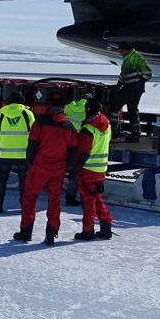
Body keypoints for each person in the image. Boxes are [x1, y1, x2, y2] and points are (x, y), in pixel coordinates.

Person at [14, 104, 79, 245]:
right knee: (54, 200)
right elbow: (73, 149)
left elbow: (32, 143)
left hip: (39, 166)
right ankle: (51, 234)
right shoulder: (69, 126)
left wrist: (29, 161)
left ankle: (26, 233)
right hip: (58, 168)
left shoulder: (41, 122)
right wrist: (67, 166)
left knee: (30, 198)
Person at [71, 97, 114, 240]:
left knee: (88, 200)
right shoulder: (106, 123)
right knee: (96, 198)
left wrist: (74, 171)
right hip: (101, 168)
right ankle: (106, 225)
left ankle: (88, 231)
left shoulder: (87, 129)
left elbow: (83, 153)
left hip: (88, 169)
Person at [0, 90, 35, 214]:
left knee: (2, 180)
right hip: (23, 154)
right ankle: (24, 206)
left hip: (5, 154)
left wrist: (1, 142)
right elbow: (34, 133)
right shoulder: (27, 114)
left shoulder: (2, 114)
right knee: (23, 181)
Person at [115, 42, 152, 142]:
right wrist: (119, 84)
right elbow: (124, 74)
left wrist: (140, 82)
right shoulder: (127, 59)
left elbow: (148, 72)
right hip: (128, 87)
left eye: (121, 51)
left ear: (126, 50)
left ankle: (135, 135)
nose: (120, 53)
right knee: (116, 105)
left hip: (135, 89)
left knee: (131, 109)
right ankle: (114, 131)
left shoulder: (137, 57)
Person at [62, 92, 89, 207]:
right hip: (78, 142)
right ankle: (72, 197)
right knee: (78, 170)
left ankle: (68, 195)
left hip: (66, 140)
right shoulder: (87, 110)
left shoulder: (69, 106)